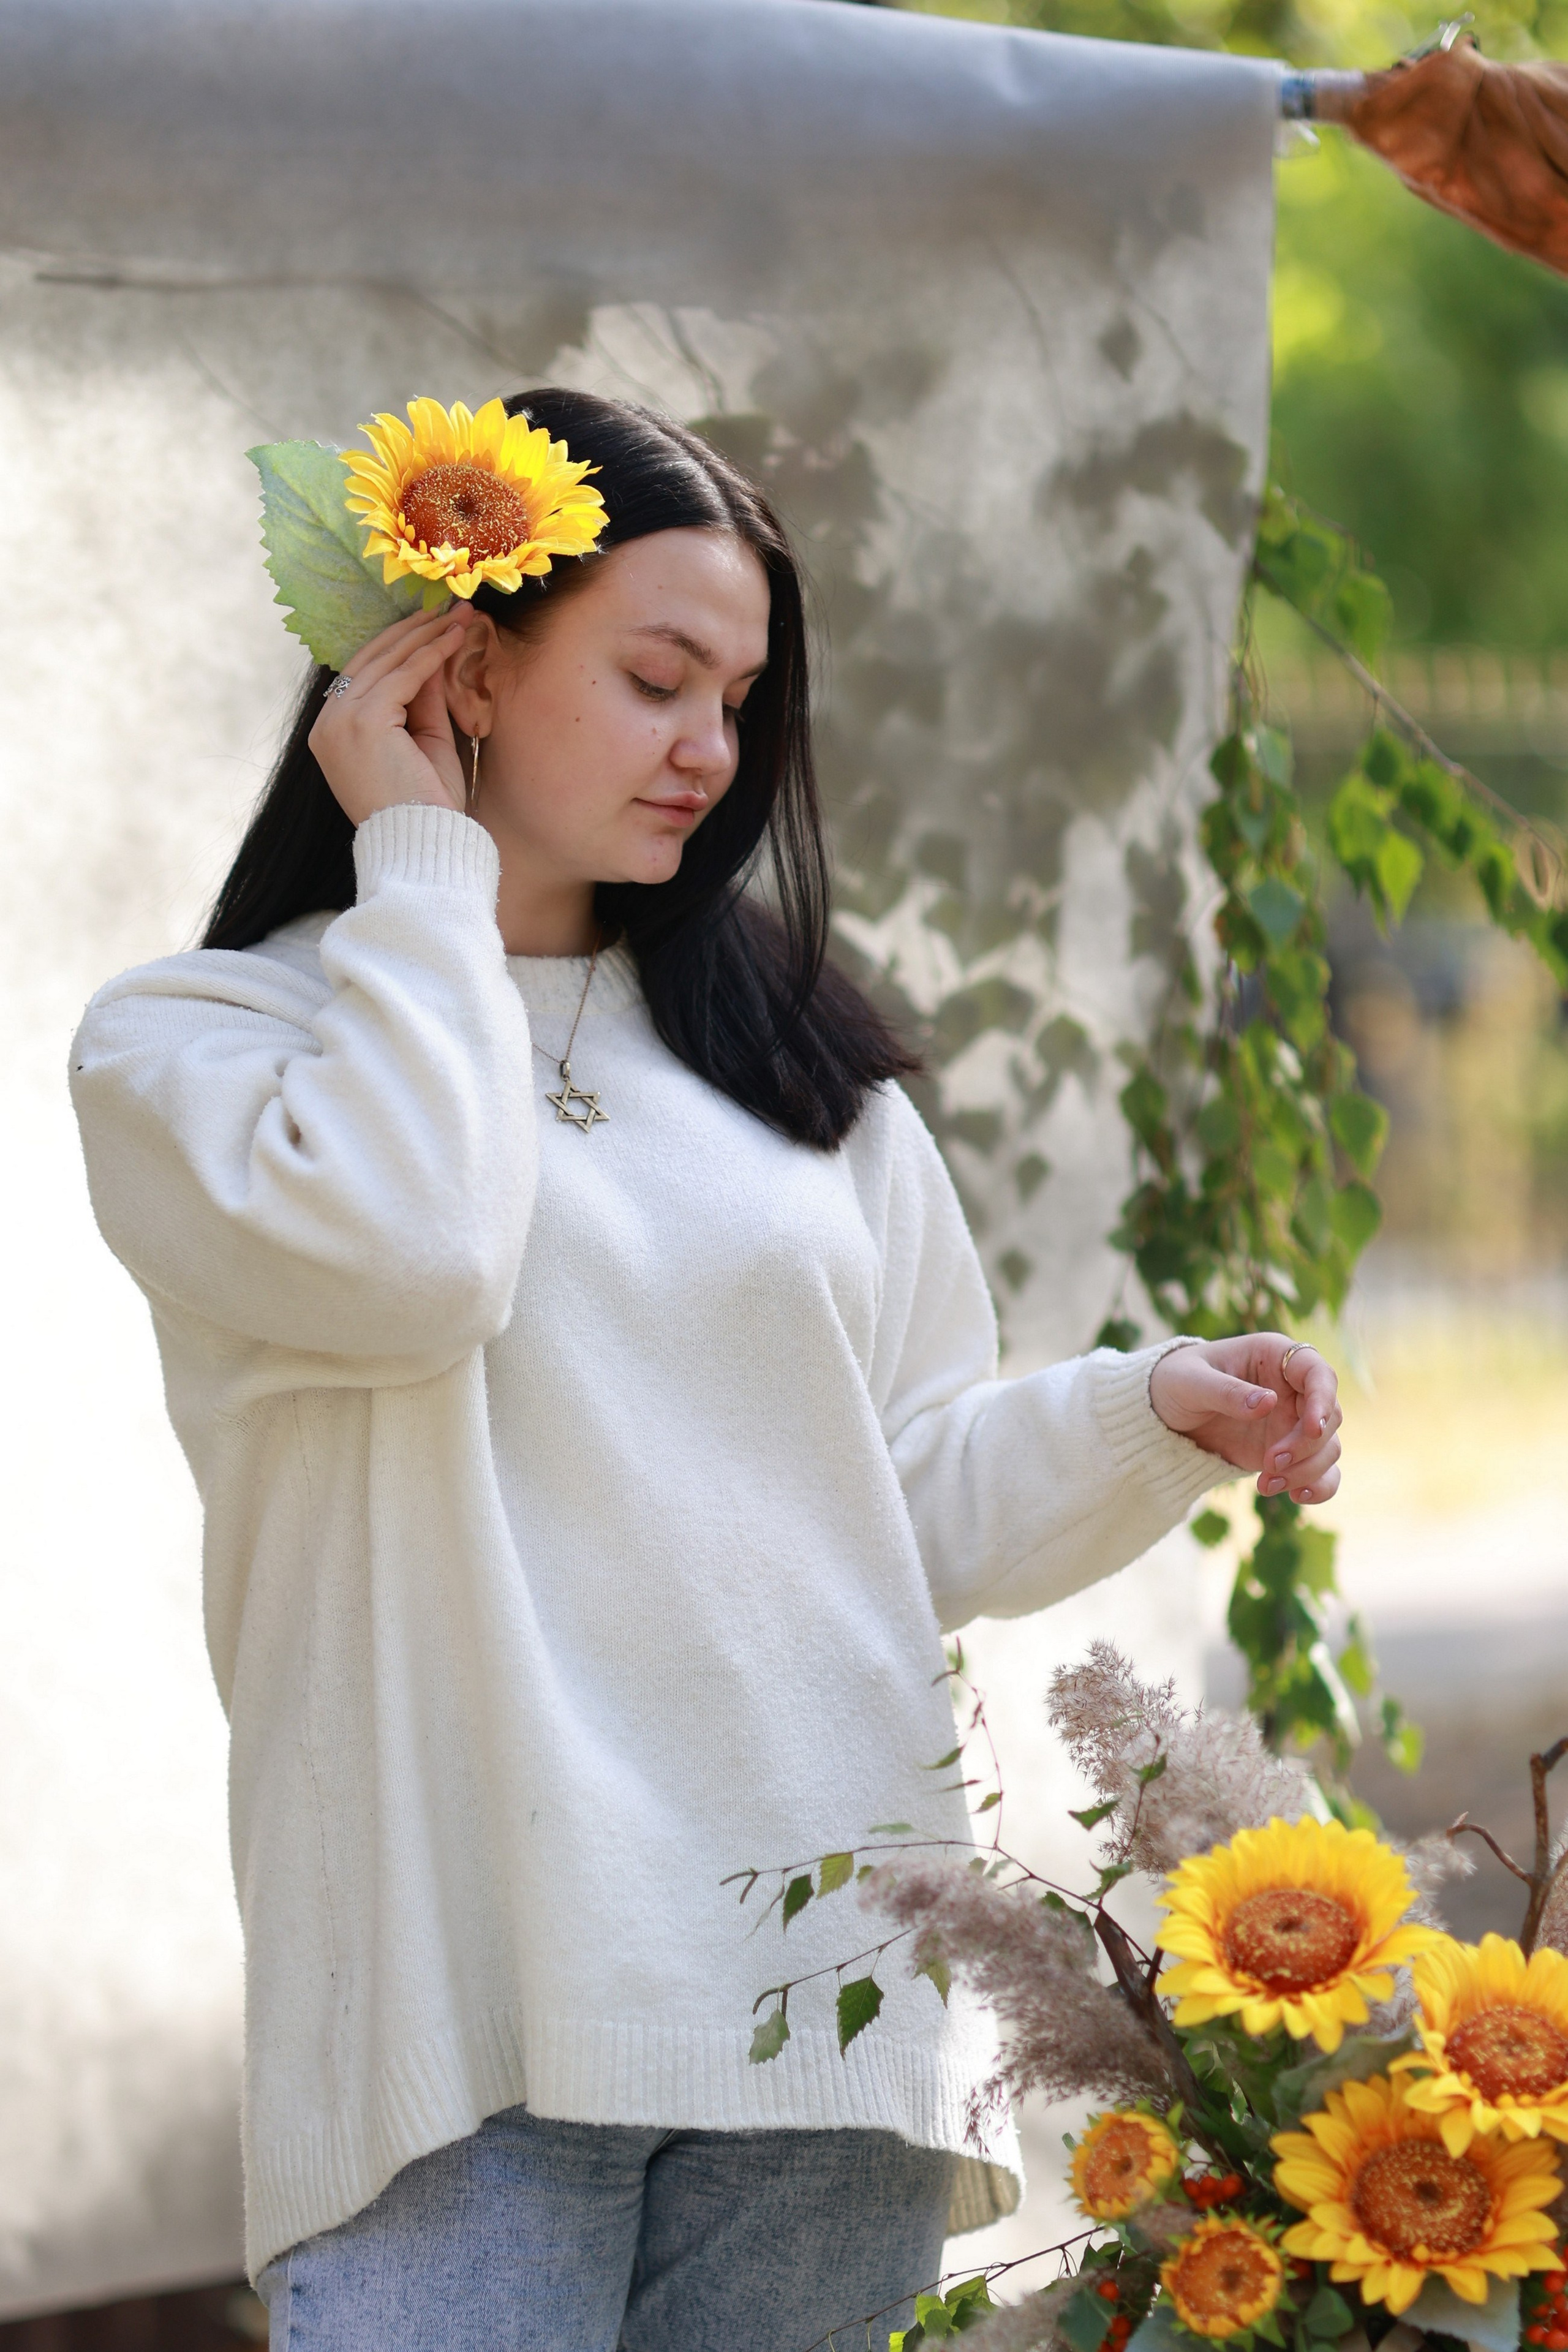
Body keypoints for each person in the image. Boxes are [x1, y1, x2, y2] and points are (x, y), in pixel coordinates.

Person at [69, 389, 1343, 2352]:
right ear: (458, 670)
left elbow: (893, 1506)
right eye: (658, 681)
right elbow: (420, 1263)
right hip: (456, 2029)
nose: (711, 752)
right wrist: (421, 861)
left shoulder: (797, 1068)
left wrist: (1145, 1410)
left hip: (817, 2012)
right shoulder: (211, 1047)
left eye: (739, 702)